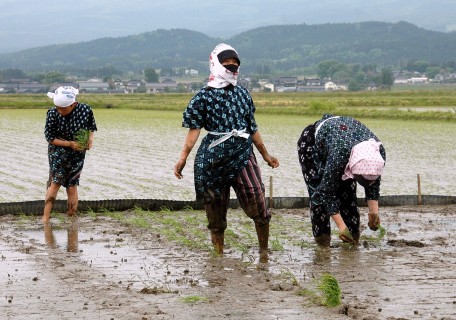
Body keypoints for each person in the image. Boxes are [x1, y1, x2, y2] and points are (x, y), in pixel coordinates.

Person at [174, 43, 279, 261]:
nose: (232, 67)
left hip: (242, 153)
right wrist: (182, 158)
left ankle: (264, 252)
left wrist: (266, 156)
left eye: (235, 64)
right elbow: (194, 131)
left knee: (256, 198)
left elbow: (253, 129)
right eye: (227, 63)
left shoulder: (243, 94)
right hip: (213, 156)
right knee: (215, 206)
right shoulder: (203, 97)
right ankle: (218, 253)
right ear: (215, 65)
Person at [297, 114, 386, 246]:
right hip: (314, 144)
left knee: (348, 194)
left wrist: (374, 213)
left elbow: (373, 181)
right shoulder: (339, 156)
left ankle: (353, 239)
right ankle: (323, 243)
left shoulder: (378, 152)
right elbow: (326, 192)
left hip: (343, 141)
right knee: (318, 196)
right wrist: (341, 227)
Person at [42, 86, 97, 222]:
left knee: (72, 185)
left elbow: (91, 126)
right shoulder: (52, 113)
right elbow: (50, 138)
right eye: (58, 108)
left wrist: (90, 140)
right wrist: (70, 144)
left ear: (73, 104)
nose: (60, 111)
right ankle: (45, 217)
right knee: (55, 182)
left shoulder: (85, 110)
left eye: (64, 109)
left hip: (77, 153)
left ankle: (72, 216)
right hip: (57, 152)